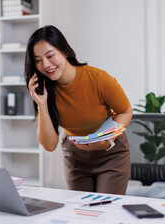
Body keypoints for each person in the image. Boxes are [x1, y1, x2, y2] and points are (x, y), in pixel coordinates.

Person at [25, 25, 133, 195]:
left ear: (65, 51)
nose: (45, 65)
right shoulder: (45, 89)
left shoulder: (98, 79)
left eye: (50, 55)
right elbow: (49, 145)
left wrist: (106, 139)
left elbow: (125, 111)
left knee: (107, 211)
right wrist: (42, 104)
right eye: (37, 60)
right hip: (75, 155)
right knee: (80, 212)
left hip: (110, 152)